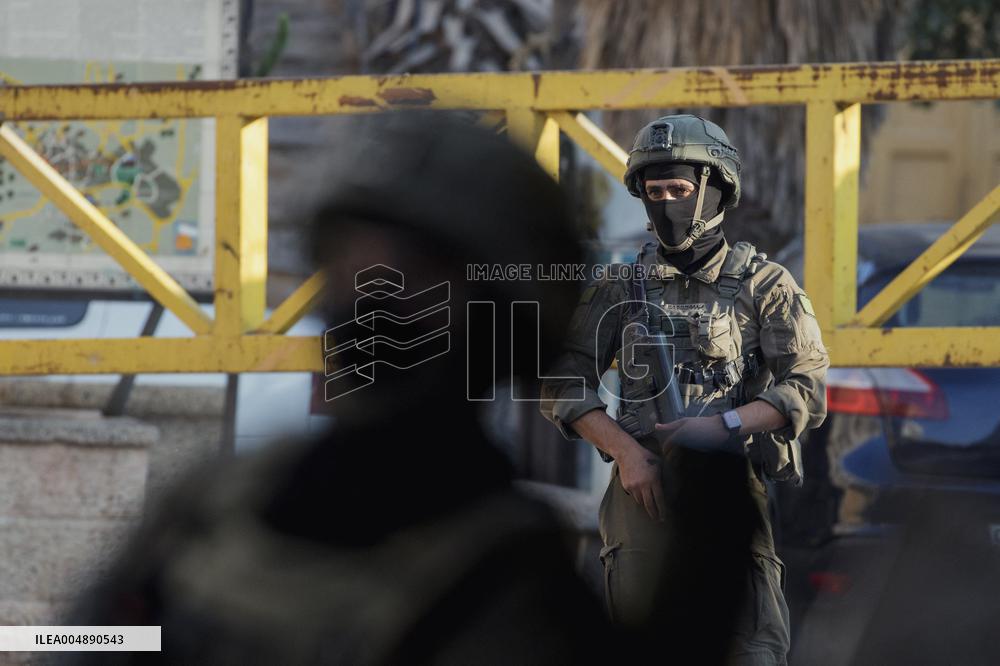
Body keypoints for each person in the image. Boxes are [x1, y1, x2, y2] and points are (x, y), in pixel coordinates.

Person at [65, 114, 616, 665]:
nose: (368, 296)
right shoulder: (222, 495)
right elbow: (84, 640)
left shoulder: (507, 586)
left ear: (508, 323)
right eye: (349, 258)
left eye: (418, 271)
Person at [541, 114, 830, 665]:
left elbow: (807, 386)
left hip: (728, 486)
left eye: (680, 189)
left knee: (749, 648)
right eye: (655, 193)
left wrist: (723, 424)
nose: (668, 204)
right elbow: (560, 382)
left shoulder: (764, 284)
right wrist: (627, 454)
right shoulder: (618, 287)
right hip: (641, 493)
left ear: (715, 190)